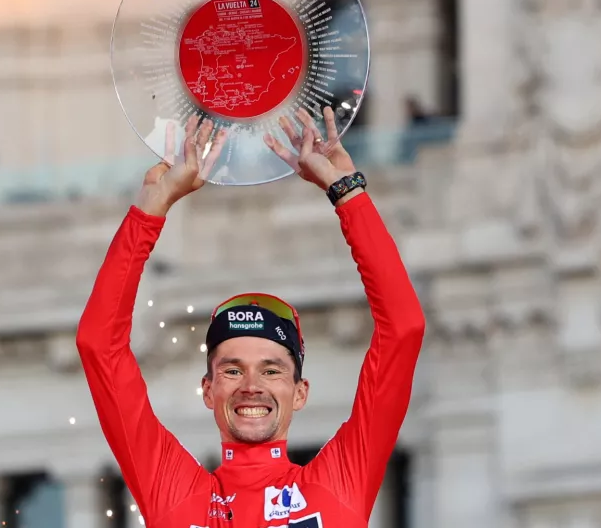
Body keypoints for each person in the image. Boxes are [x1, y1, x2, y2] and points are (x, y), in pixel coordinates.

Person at [77, 107, 426, 527]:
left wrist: (348, 193)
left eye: (272, 370)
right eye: (232, 370)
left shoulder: (338, 482)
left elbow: (403, 329)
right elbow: (99, 345)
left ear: (300, 392)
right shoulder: (174, 492)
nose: (251, 387)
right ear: (207, 391)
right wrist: (151, 209)